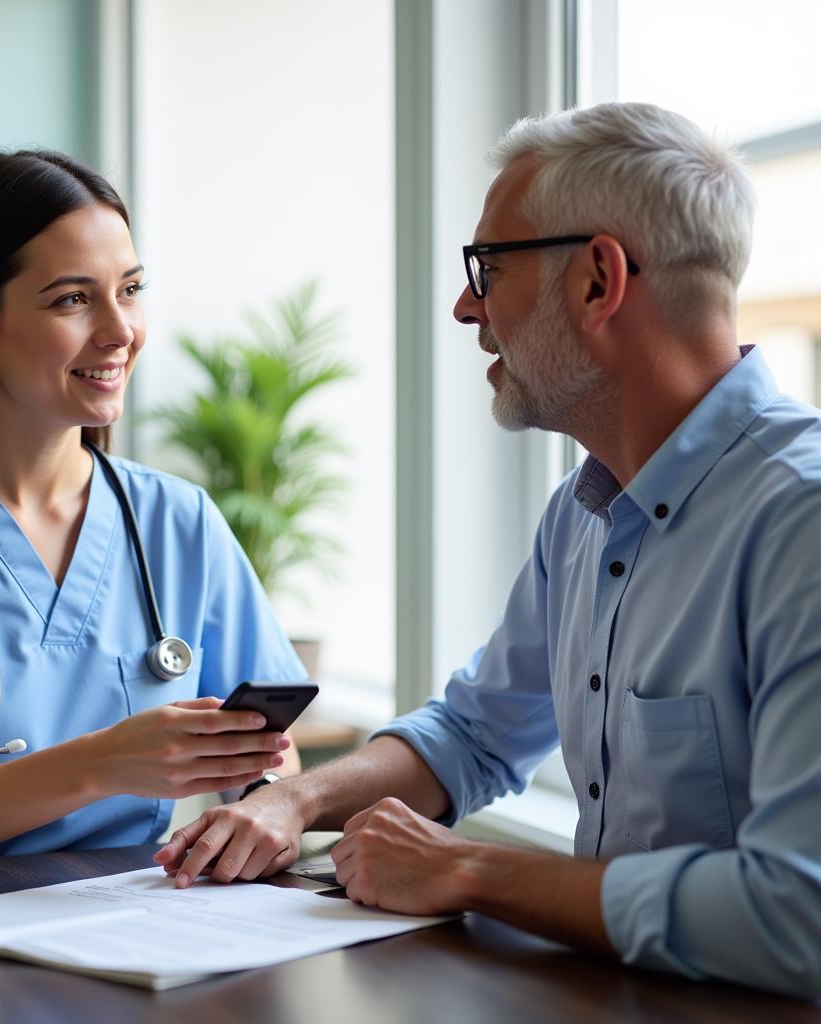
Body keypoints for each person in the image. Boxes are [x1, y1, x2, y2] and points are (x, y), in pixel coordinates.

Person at [155, 103, 821, 999]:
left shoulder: (800, 525)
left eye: (489, 268)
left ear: (598, 281)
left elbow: (799, 913)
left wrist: (471, 871)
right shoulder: (581, 517)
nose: (467, 305)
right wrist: (296, 800)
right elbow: (473, 734)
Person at [0, 150, 306, 883]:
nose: (120, 330)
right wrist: (99, 765)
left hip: (133, 935)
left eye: (130, 290)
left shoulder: (179, 521)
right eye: (73, 299)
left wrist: (266, 806)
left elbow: (268, 749)